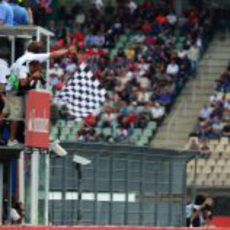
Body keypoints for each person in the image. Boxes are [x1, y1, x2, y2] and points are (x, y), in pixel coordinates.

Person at [3, 41, 76, 146]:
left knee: (24, 112)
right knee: (17, 114)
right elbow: (23, 83)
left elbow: (53, 54)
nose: (40, 67)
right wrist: (33, 77)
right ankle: (11, 139)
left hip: (14, 89)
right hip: (14, 91)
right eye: (38, 66)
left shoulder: (29, 58)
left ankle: (30, 137)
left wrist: (67, 51)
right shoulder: (25, 63)